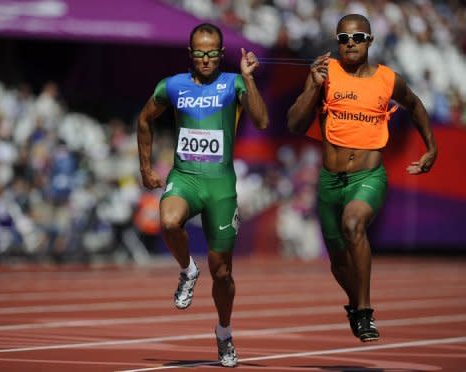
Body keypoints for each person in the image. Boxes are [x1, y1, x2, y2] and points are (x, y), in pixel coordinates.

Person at [287, 14, 437, 342]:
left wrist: (431, 148)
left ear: (370, 41)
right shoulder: (326, 74)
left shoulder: (388, 79)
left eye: (357, 38)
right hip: (329, 182)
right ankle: (355, 305)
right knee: (339, 264)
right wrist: (312, 85)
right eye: (343, 38)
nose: (350, 44)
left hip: (367, 177)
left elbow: (415, 105)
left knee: (354, 224)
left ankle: (366, 311)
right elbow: (295, 124)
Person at [137, 23, 268, 367]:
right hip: (186, 178)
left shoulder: (233, 83)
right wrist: (146, 168)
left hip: (221, 187)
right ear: (190, 54)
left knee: (222, 272)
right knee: (167, 221)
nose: (206, 59)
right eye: (200, 53)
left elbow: (262, 119)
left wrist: (249, 78)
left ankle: (224, 333)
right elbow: (144, 120)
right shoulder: (172, 86)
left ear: (221, 54)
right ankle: (186, 269)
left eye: (212, 53)